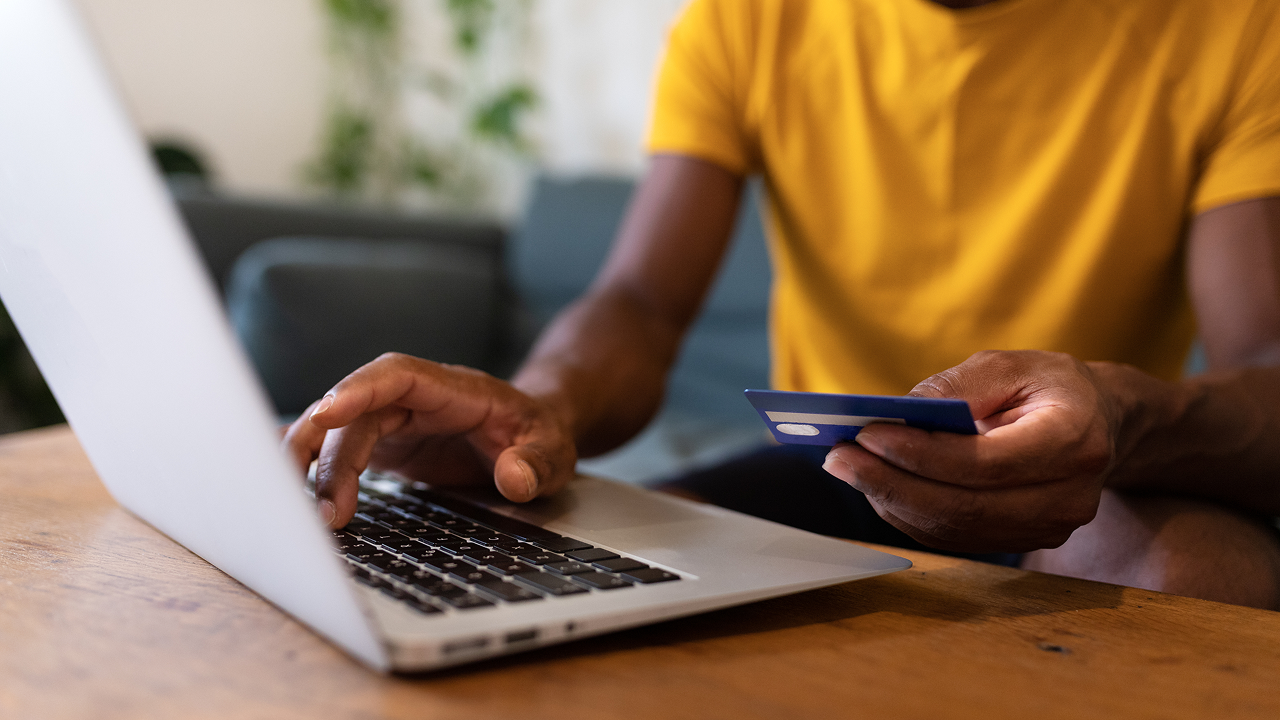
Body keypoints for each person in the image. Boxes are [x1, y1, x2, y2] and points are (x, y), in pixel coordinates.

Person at [285, 0, 1280, 608]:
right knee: (555, 561)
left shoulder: (1233, 22)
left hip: (1080, 483)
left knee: (1202, 573)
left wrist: (1119, 412)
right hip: (827, 464)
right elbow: (638, 299)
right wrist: (538, 404)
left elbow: (1264, 362)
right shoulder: (743, 15)